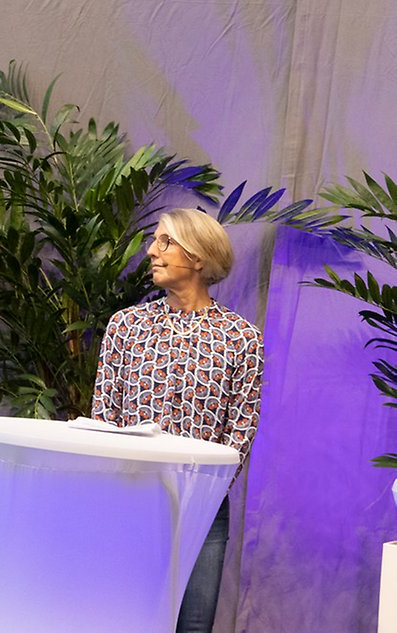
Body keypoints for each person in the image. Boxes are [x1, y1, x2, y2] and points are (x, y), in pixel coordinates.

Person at [91, 208, 263, 633]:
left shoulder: (242, 338)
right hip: (130, 500)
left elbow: (240, 431)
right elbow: (104, 415)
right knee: (126, 620)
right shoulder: (126, 327)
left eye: (165, 242)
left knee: (193, 625)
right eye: (155, 240)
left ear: (199, 257)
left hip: (203, 507)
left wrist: (199, 490)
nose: (151, 251)